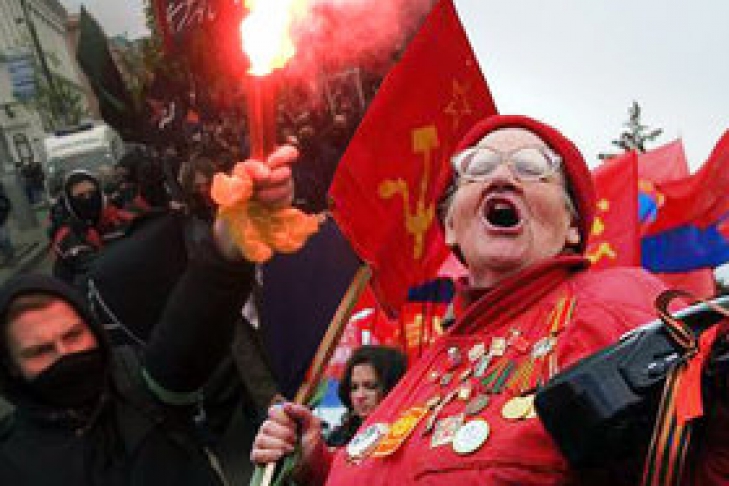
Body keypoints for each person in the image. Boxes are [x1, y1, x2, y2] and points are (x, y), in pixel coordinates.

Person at [251, 115, 729, 485]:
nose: (502, 176)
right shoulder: (433, 359)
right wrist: (318, 462)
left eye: (532, 168)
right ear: (451, 228)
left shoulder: (614, 302)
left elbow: (697, 460)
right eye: (477, 168)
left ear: (572, 226)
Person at [0, 145, 297, 485]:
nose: (64, 353)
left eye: (73, 335)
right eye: (40, 351)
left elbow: (190, 327)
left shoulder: (135, 387)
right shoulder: (12, 466)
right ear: (11, 366)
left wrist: (230, 242)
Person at [50, 170, 135, 287]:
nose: (88, 199)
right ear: (70, 203)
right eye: (80, 196)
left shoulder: (122, 219)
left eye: (92, 193)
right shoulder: (68, 236)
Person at [326, 346, 406, 448]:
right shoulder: (338, 438)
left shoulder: (406, 434)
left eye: (370, 387)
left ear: (392, 387)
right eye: (354, 387)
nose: (360, 396)